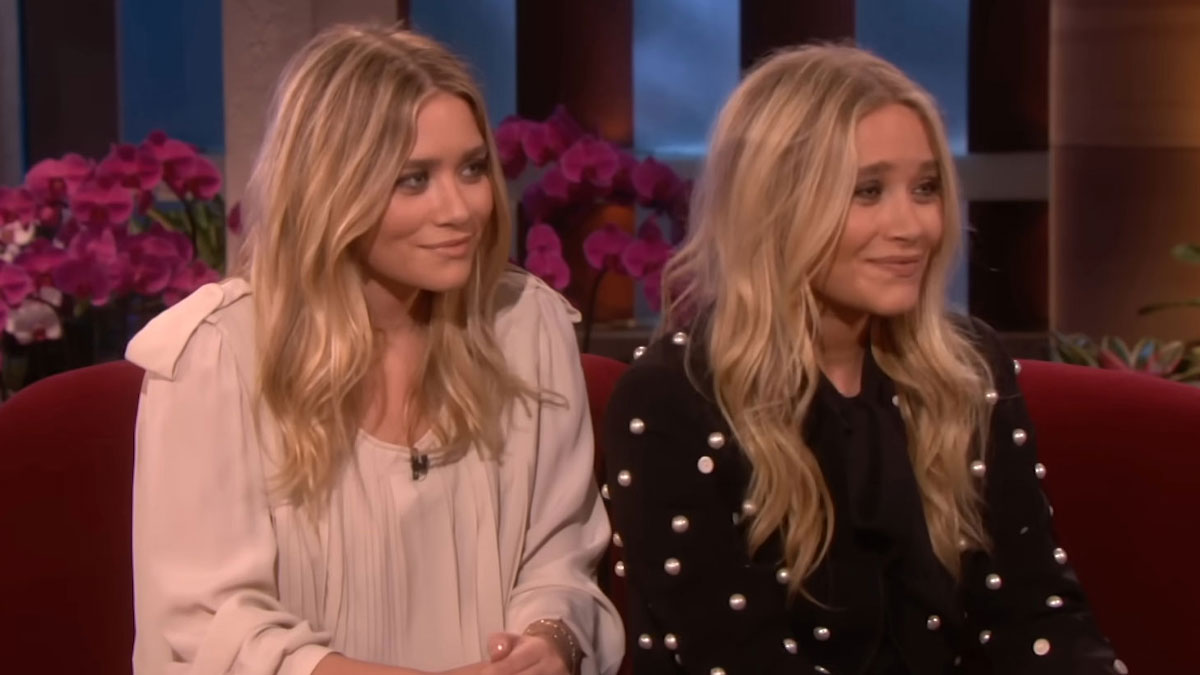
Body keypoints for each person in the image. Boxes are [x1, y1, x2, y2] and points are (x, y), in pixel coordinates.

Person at [603, 44, 1125, 675]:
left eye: (926, 188)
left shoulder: (968, 369)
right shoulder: (671, 399)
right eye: (868, 191)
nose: (913, 226)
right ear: (778, 205)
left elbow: (1033, 615)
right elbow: (740, 657)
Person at [126, 24, 623, 675]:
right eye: (413, 179)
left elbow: (560, 554)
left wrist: (549, 638)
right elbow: (207, 623)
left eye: (472, 168)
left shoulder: (527, 325)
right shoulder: (215, 355)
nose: (461, 208)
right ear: (331, 190)